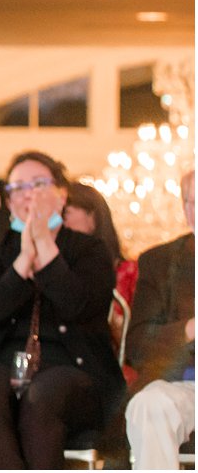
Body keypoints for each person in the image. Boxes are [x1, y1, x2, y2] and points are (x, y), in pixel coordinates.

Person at [0, 150, 123, 469]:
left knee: (43, 395)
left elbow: (79, 307)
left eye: (38, 184)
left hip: (74, 369)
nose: (27, 194)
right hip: (2, 362)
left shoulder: (90, 250)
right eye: (17, 188)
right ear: (8, 202)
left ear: (61, 195)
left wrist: (44, 246)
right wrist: (21, 265)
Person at [125, 169, 194, 470]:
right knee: (149, 404)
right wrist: (190, 329)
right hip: (186, 384)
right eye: (193, 201)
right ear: (186, 209)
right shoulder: (161, 262)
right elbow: (137, 347)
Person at [63, 181, 138, 307]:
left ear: (92, 216)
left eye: (66, 213)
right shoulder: (61, 268)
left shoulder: (129, 272)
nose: (60, 222)